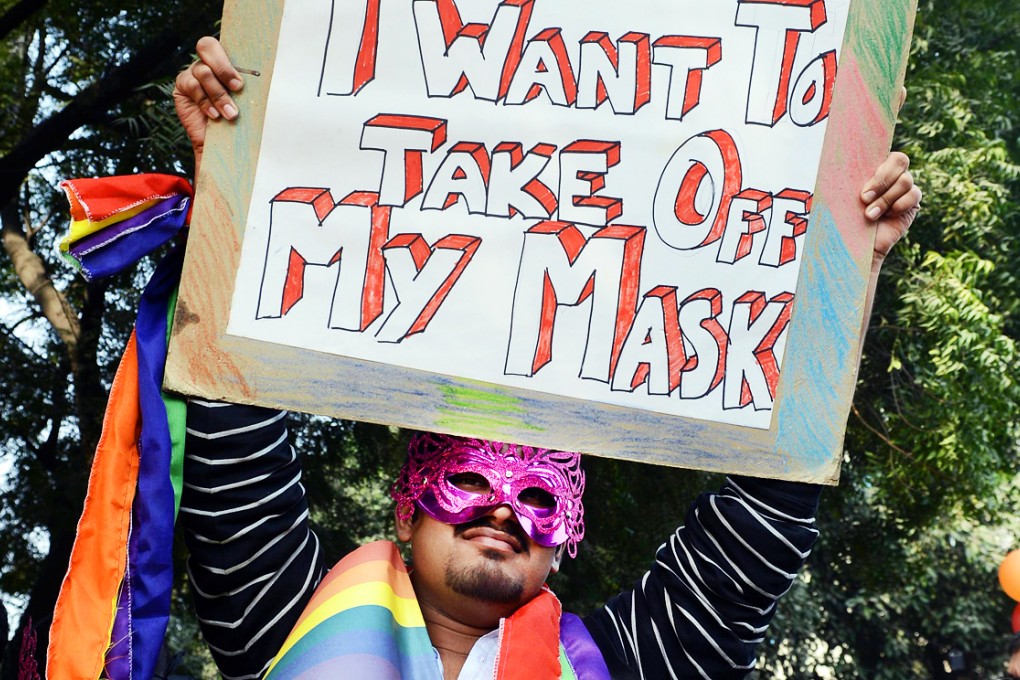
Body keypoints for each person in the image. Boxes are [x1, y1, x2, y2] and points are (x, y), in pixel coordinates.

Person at [172, 37, 922, 680]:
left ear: (564, 542)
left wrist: (840, 274)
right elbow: (236, 459)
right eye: (465, 478)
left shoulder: (622, 664)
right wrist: (231, 182)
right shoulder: (290, 629)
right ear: (407, 504)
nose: (503, 507)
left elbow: (747, 550)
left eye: (539, 497)